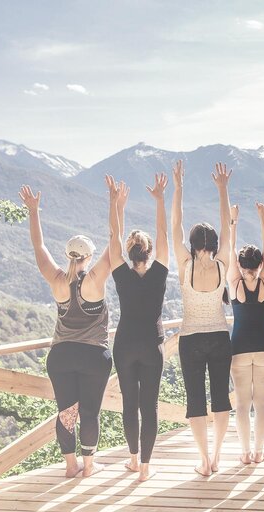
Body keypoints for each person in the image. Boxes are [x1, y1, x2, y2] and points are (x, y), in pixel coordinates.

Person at [18, 184, 113, 479]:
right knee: (89, 413)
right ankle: (88, 466)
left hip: (60, 355)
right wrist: (115, 204)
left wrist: (33, 212)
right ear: (89, 256)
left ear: (68, 255)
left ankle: (70, 465)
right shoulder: (95, 281)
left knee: (66, 412)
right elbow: (116, 242)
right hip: (94, 355)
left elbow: (38, 247)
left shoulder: (57, 279)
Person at [106, 171, 169, 482]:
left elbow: (112, 238)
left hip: (124, 344)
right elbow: (163, 233)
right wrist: (159, 200)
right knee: (150, 405)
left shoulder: (120, 273)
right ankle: (145, 467)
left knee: (129, 404)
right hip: (152, 345)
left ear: (129, 254)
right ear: (150, 251)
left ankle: (132, 459)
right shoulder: (159, 273)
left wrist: (115, 203)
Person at [172, 160, 234, 476]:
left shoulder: (185, 265)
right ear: (214, 244)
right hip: (220, 337)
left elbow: (175, 227)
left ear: (193, 244)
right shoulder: (223, 263)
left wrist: (179, 186)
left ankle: (204, 460)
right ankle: (219, 455)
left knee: (196, 400)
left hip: (191, 339)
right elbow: (227, 224)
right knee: (221, 398)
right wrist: (222, 189)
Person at [227, 201, 264, 465]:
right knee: (262, 403)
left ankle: (245, 453)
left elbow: (231, 252)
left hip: (239, 349)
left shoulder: (234, 282)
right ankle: (258, 452)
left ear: (241, 264)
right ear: (260, 264)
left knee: (242, 405)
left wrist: (234, 222)